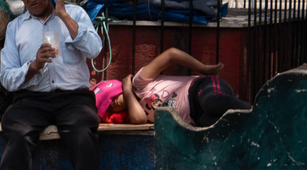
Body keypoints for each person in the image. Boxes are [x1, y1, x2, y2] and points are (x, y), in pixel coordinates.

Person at [0, 0, 104, 170]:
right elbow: (7, 78)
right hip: (32, 99)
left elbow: (94, 50)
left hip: (73, 97)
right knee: (17, 132)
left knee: (83, 130)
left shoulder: (76, 14)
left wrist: (64, 15)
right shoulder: (16, 27)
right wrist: (32, 66)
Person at [99, 47, 252, 127]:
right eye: (110, 107)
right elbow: (138, 119)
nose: (113, 104)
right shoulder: (135, 112)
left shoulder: (139, 82)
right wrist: (126, 92)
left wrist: (204, 69)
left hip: (199, 89)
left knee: (210, 103)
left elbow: (171, 54)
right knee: (217, 125)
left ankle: (257, 111)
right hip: (195, 117)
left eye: (112, 97)